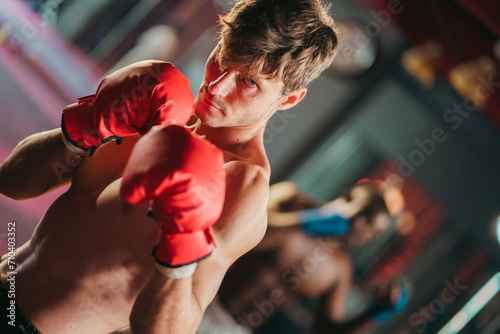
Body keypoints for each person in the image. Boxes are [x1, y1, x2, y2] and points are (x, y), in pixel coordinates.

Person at [0, 0, 339, 333]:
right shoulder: (154, 106)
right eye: (223, 58)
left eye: (249, 82)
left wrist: (183, 240)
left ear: (289, 98)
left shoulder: (240, 186)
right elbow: (12, 182)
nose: (217, 86)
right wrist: (84, 128)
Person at [213, 180, 406, 333]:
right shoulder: (291, 198)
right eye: (366, 217)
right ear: (348, 196)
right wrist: (303, 221)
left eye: (373, 232)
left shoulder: (340, 269)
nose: (363, 232)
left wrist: (373, 314)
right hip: (205, 296)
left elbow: (326, 329)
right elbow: (235, 232)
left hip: (235, 330)